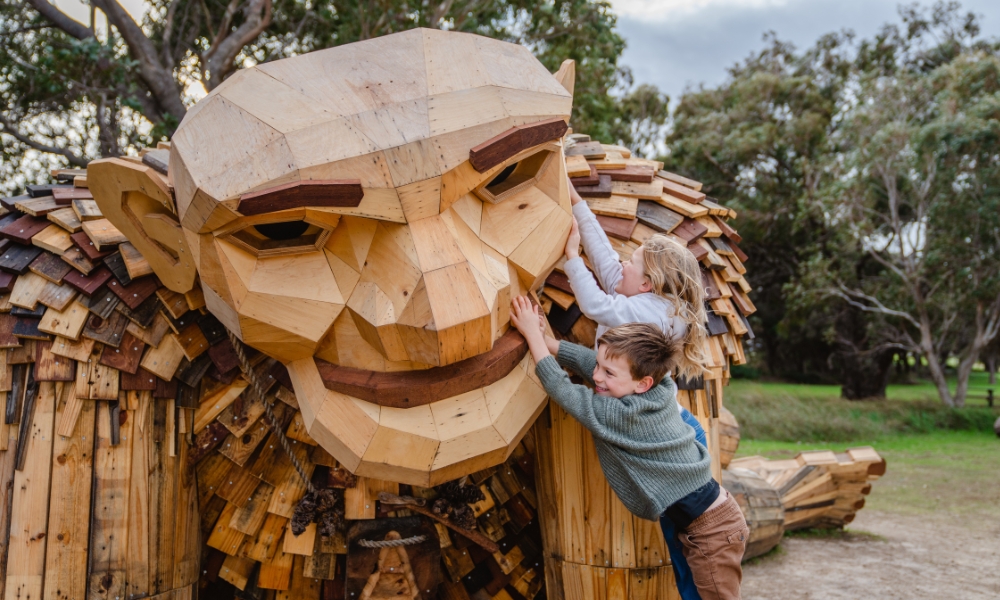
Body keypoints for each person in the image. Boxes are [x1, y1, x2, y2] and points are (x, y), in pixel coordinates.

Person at [508, 303, 749, 600]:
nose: (597, 376)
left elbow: (561, 388)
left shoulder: (621, 415)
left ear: (642, 383)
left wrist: (533, 335)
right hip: (705, 520)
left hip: (712, 532)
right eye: (599, 366)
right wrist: (552, 344)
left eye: (609, 373)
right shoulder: (658, 388)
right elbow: (591, 361)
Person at [563, 179, 711, 598]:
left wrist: (572, 260)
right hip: (673, 436)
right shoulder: (646, 296)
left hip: (674, 442)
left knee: (690, 548)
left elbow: (598, 305)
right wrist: (578, 206)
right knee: (682, 541)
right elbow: (610, 266)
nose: (623, 265)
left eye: (634, 262)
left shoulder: (654, 315)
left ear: (647, 284)